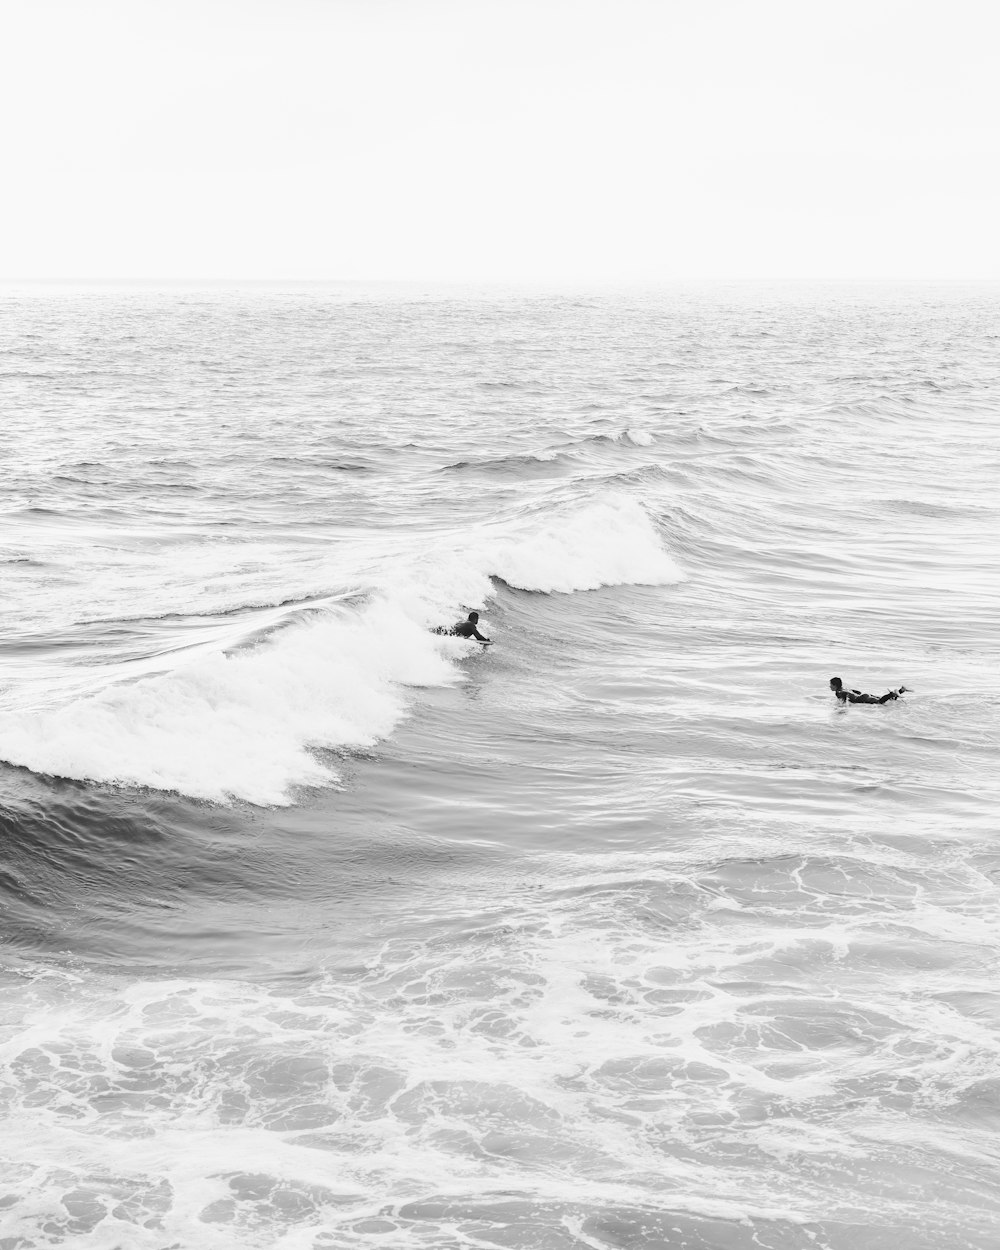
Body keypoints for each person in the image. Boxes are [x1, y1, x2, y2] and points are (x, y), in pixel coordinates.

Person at [829, 677, 907, 705]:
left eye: (831, 685)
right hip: (865, 695)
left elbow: (843, 704)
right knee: (888, 701)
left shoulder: (838, 692)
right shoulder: (845, 689)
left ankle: (893, 693)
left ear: (835, 686)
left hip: (863, 699)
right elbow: (858, 692)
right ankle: (901, 690)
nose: (830, 686)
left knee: (880, 702)